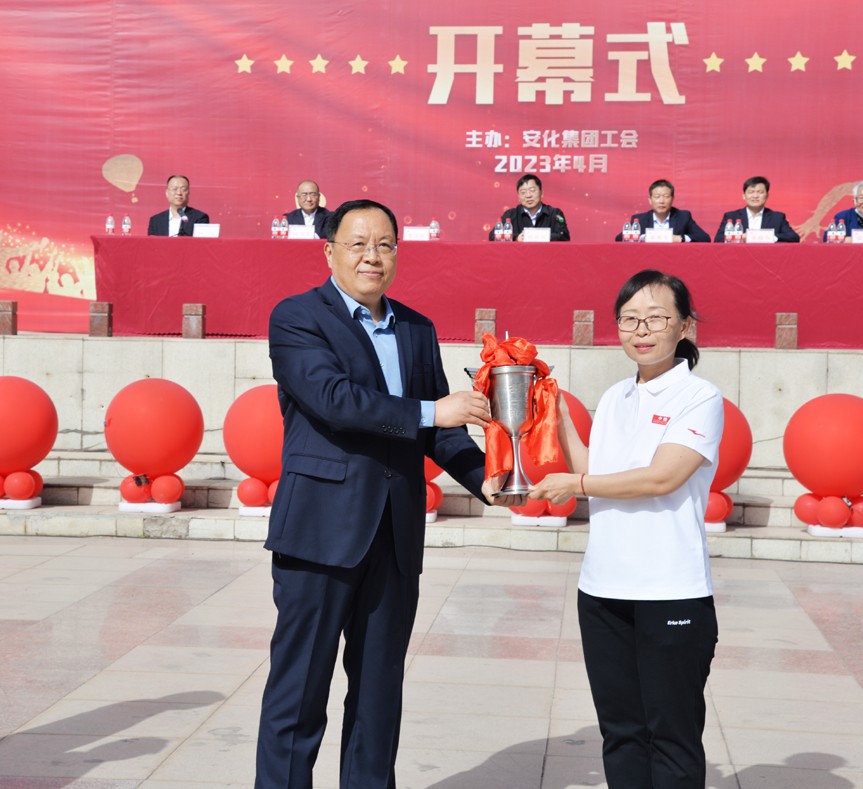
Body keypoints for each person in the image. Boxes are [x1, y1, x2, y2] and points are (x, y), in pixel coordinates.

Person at [255, 198, 523, 788]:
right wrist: (433, 410)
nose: (372, 257)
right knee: (298, 694)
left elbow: (441, 432)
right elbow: (334, 400)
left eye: (384, 245)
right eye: (358, 244)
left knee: (378, 696)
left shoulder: (416, 329)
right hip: (320, 534)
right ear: (329, 251)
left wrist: (489, 480)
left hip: (395, 537)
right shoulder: (298, 318)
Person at [529, 269, 723, 788]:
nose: (642, 330)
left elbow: (662, 478)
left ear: (684, 326)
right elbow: (598, 470)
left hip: (670, 592)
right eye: (629, 318)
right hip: (602, 592)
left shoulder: (699, 396)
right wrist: (557, 414)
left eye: (656, 318)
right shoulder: (617, 396)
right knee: (620, 734)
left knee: (672, 737)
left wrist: (577, 483)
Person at [615, 180, 710, 242]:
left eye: (666, 196)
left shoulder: (683, 217)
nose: (661, 201)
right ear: (650, 200)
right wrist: (642, 237)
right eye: (657, 197)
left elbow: (705, 238)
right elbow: (619, 239)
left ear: (672, 199)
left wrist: (681, 238)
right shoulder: (640, 220)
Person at [714, 176, 799, 242]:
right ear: (744, 196)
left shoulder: (777, 217)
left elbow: (794, 237)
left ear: (767, 196)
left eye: (760, 192)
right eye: (751, 192)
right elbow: (718, 239)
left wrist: (768, 237)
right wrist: (741, 237)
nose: (755, 196)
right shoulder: (731, 216)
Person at [488, 174, 570, 241]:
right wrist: (516, 238)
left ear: (542, 193)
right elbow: (492, 236)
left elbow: (564, 236)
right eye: (523, 192)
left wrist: (536, 236)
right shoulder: (511, 214)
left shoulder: (555, 213)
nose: (528, 195)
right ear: (518, 197)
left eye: (532, 190)